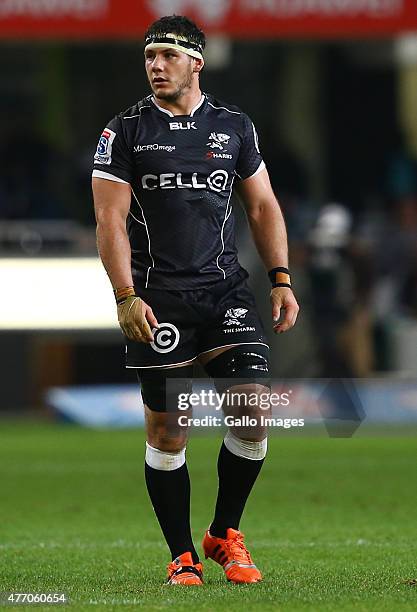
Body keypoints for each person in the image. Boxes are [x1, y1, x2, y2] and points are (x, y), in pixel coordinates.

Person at [92, 15, 299, 586]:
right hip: (158, 299)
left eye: (166, 55)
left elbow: (262, 206)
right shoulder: (125, 130)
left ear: (196, 61)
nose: (154, 66)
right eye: (148, 57)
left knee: (253, 411)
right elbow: (108, 219)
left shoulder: (233, 125)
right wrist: (124, 296)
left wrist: (280, 278)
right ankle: (182, 553)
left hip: (225, 292)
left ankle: (224, 534)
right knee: (168, 429)